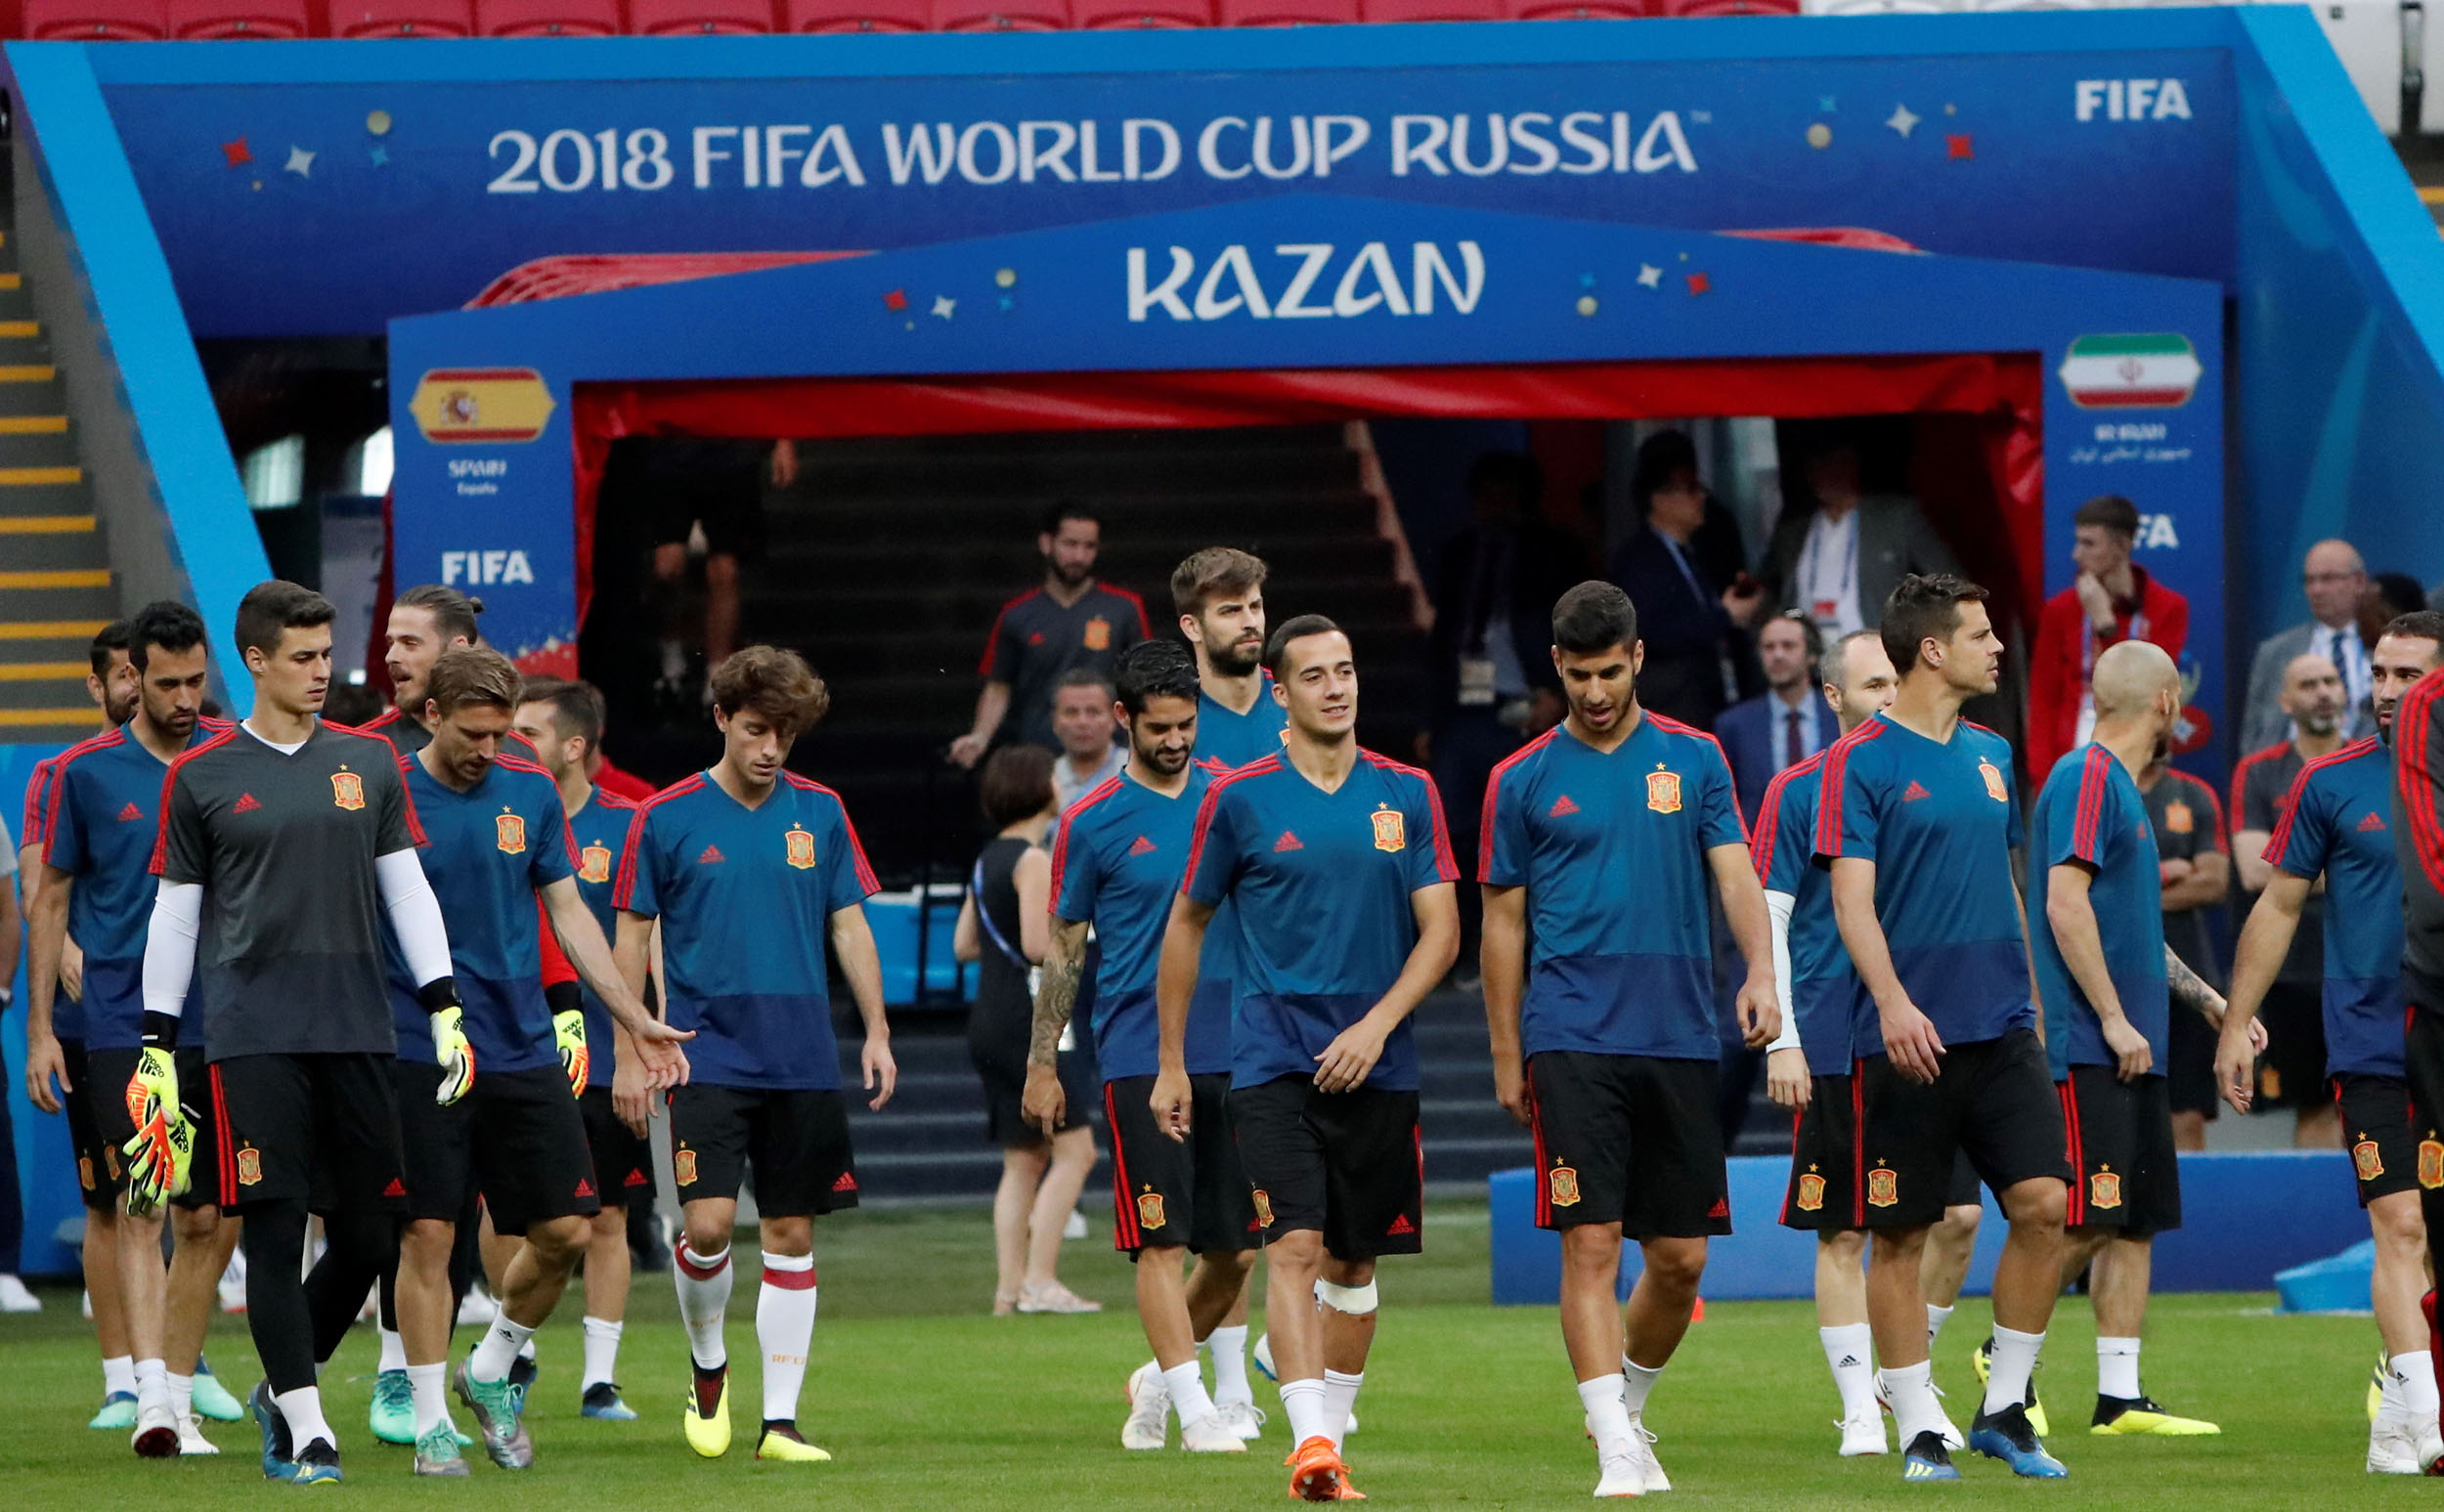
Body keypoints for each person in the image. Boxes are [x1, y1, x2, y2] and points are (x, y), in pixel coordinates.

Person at [141, 581, 469, 1487]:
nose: (323, 671)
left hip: (360, 1029)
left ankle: (280, 1391)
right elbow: (176, 916)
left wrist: (443, 1002)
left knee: (370, 1237)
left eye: (328, 654)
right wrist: (156, 1042)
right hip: (253, 1037)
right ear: (255, 661)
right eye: (303, 656)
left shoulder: (369, 761)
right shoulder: (201, 774)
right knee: (275, 1230)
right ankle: (308, 1425)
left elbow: (407, 889)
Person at [1480, 581, 1775, 1497]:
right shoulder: (1520, 777)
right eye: (1579, 675)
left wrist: (1762, 972)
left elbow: (1736, 875)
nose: (1596, 691)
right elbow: (1502, 924)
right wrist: (1506, 1050)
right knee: (1592, 1240)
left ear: (1638, 658)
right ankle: (1614, 1440)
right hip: (1570, 1033)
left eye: (1610, 672)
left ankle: (1626, 1406)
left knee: (1681, 1259)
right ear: (1557, 667)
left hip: (1680, 1033)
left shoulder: (1695, 757)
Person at [1157, 614, 1459, 1502]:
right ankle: (1313, 1445)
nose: (1337, 687)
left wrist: (1376, 1026)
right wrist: (1172, 1059)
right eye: (1316, 675)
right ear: (1279, 692)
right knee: (1292, 1244)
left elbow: (1443, 931)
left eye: (1346, 669)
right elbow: (1187, 924)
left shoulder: (1407, 792)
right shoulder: (1238, 798)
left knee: (1353, 1266)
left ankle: (1329, 1423)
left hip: (1380, 1066)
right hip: (1272, 1063)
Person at [381, 648, 689, 1478]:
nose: (489, 749)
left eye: (502, 734)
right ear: (433, 715)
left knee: (567, 1229)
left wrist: (631, 1016)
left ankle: (489, 1368)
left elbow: (569, 913)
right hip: (421, 1043)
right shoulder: (388, 791)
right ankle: (430, 1420)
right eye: (474, 733)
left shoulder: (530, 790)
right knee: (429, 1233)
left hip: (522, 1044)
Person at [613, 645, 896, 1466]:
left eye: (785, 733)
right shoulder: (664, 816)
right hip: (702, 1054)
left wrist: (877, 1030)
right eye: (756, 730)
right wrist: (632, 1043)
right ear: (721, 719)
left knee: (791, 1230)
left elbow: (849, 922)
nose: (771, 748)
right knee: (706, 1226)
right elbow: (630, 935)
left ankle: (781, 1422)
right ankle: (708, 1367)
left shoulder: (823, 811)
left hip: (801, 1054)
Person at [1816, 573, 2070, 1483]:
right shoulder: (1860, 761)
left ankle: (2003, 1406)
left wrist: (2032, 997)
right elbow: (1852, 901)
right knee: (1901, 1235)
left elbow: (2007, 886)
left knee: (2045, 1205)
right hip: (1907, 1039)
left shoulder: (1993, 752)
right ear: (1932, 649)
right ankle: (1919, 1425)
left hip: (2001, 1027)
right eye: (1981, 633)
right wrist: (1891, 1002)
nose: (1998, 647)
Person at [2216, 611, 2444, 1474]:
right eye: (2379, 673)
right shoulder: (2331, 781)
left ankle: (2398, 1405)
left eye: (2409, 675)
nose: (2387, 691)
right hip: (2371, 1041)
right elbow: (2277, 905)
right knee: (2401, 1221)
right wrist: (2236, 1022)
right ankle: (2430, 1419)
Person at [24, 602, 245, 1457]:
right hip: (121, 1016)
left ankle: (179, 1386)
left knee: (209, 1217)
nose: (185, 698)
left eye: (196, 680)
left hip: (222, 1015)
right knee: (141, 1198)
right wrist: (42, 1030)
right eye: (167, 683)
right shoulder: (83, 773)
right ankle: (149, 1394)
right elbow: (49, 900)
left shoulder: (232, 755)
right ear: (132, 679)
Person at [1758, 627, 1986, 1457]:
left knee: (1957, 1216)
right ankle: (1861, 1406)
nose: (1890, 698)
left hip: (1932, 1027)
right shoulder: (1800, 789)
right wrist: (1782, 1037)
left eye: (1896, 683)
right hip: (1834, 1029)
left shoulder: (1948, 770)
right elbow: (1770, 916)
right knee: (1846, 1227)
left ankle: (1902, 1381)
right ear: (1833, 697)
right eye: (1873, 686)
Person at [1027, 638, 1259, 1452]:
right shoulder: (1090, 821)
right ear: (1125, 719)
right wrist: (1043, 1060)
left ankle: (1159, 1379)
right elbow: (1064, 949)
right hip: (1137, 1050)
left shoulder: (1233, 799)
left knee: (1236, 1252)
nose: (1176, 739)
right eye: (1159, 726)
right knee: (1160, 1239)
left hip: (1241, 1044)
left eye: (1186, 723)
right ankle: (1196, 1413)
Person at [2027, 640, 2236, 1440]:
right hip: (2093, 1041)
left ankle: (2118, 1395)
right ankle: (2004, 1360)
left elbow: (2134, 929)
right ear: (2167, 703)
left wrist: (2207, 1000)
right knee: (2088, 1214)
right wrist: (2113, 1017)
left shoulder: (2118, 787)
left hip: (2135, 1037)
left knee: (2133, 1216)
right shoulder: (2087, 777)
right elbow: (2064, 904)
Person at [509, 677, 654, 1421]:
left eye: (528, 732)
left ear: (573, 746)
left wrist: (640, 1046)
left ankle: (600, 1378)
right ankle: (513, 1353)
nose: (512, 743)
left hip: (599, 1054)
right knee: (506, 1212)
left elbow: (648, 945)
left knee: (607, 1215)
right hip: (510, 1046)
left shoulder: (626, 826)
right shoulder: (499, 815)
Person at [18, 620, 146, 1420]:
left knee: (192, 1202)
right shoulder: (62, 773)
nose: (139, 685)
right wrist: (67, 952)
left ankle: (181, 1361)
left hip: (187, 1011)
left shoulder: (198, 762)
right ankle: (122, 1375)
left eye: (148, 670)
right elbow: (42, 883)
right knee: (112, 1201)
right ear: (97, 685)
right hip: (94, 1014)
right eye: (125, 674)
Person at [953, 745, 1101, 1318]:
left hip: (989, 1018)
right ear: (1041, 789)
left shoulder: (987, 858)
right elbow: (1041, 946)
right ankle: (1040, 1280)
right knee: (1076, 1151)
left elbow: (964, 945)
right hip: (1031, 1020)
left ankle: (1009, 1290)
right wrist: (1086, 932)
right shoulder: (1034, 859)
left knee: (1023, 1159)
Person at [1421, 454, 1579, 972]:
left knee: (1529, 825)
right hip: (1463, 709)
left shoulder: (1551, 550)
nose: (1494, 506)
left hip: (1526, 704)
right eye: (1485, 496)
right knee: (1451, 827)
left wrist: (1560, 694)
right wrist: (1428, 718)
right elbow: (1442, 635)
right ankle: (1465, 945)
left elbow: (1571, 626)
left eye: (1504, 495)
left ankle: (1533, 945)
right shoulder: (1460, 551)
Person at [2229, 653, 2348, 1145]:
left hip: (2368, 963)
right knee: (2315, 1107)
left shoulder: (2373, 764)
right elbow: (2255, 871)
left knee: (2379, 1103)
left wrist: (2297, 865)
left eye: (2330, 681)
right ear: (2284, 701)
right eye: (2308, 684)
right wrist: (2349, 864)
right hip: (2295, 970)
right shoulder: (2260, 772)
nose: (2322, 692)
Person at [951, 502, 1150, 766]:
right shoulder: (1016, 614)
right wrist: (980, 737)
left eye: (1089, 546)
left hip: (1109, 759)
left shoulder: (1125, 609)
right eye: (1070, 544)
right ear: (1046, 543)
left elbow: (1143, 683)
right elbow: (998, 686)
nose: (1079, 556)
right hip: (1038, 757)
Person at [2026, 496, 2192, 779]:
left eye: (2089, 544)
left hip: (2135, 760)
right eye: (2078, 542)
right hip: (2069, 762)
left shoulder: (2168, 608)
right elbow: (2043, 700)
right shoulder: (2060, 609)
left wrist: (2106, 625)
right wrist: (2043, 778)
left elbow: (2147, 688)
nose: (2076, 555)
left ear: (2122, 546)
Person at [1607, 433, 1764, 730]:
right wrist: (1724, 616)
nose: (1701, 497)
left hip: (1711, 699)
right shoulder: (1639, 560)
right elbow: (1654, 630)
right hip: (1670, 707)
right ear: (1659, 498)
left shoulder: (1695, 552)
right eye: (1690, 488)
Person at [643, 438, 795, 710]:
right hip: (670, 454)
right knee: (667, 569)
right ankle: (671, 651)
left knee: (725, 570)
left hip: (731, 458)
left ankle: (716, 675)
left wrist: (783, 441)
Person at [1764, 434, 1961, 638]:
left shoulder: (1896, 517)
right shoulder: (1794, 528)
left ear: (1853, 465)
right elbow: (1769, 590)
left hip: (1875, 643)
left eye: (1836, 462)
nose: (1825, 472)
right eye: (1817, 465)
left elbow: (1948, 581)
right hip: (1807, 649)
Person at [2139, 754, 2230, 1151]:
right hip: (2118, 977)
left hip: (2189, 977)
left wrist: (2129, 899)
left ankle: (2187, 1196)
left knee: (2188, 1114)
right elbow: (2087, 889)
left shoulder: (2193, 794)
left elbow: (2214, 882)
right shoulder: (2098, 791)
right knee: (2123, 1116)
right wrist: (2165, 872)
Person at [2242, 540, 2376, 754]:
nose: (2316, 590)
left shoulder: (2384, 647)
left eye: (2328, 579)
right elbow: (2253, 737)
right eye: (2309, 581)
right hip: (2293, 769)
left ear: (2359, 582)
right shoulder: (2275, 652)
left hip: (2369, 766)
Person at [1173, 546, 1289, 772]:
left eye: (1255, 607)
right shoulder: (1170, 721)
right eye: (1231, 611)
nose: (1250, 622)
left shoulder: (1300, 700)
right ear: (1192, 627)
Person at [1719, 611, 1839, 825]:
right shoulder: (1734, 725)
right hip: (1760, 841)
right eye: (1769, 647)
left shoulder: (1839, 715)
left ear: (1811, 654)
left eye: (1788, 645)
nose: (1778, 655)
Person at [366, 583, 485, 756]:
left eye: (409, 643)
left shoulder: (517, 751)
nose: (390, 657)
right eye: (390, 643)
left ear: (458, 650)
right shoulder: (366, 750)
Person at [1049, 670, 1126, 813]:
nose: (1082, 722)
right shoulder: (1044, 782)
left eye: (1093, 712)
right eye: (1071, 712)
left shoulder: (1138, 774)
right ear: (1055, 721)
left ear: (1114, 718)